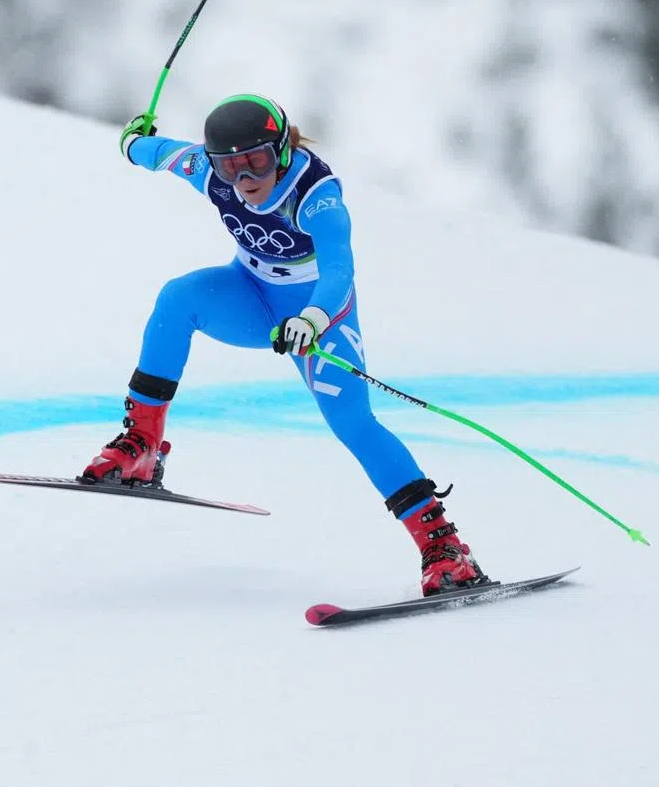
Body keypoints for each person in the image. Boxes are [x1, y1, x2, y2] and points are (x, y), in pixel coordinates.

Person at [83, 93, 486, 595]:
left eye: (256, 161)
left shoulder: (316, 195)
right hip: (250, 297)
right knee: (177, 300)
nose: (245, 179)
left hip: (319, 313)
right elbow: (161, 153)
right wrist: (132, 142)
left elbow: (339, 269)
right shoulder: (209, 171)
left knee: (353, 423)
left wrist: (313, 319)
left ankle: (444, 551)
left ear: (283, 149)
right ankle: (141, 449)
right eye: (230, 167)